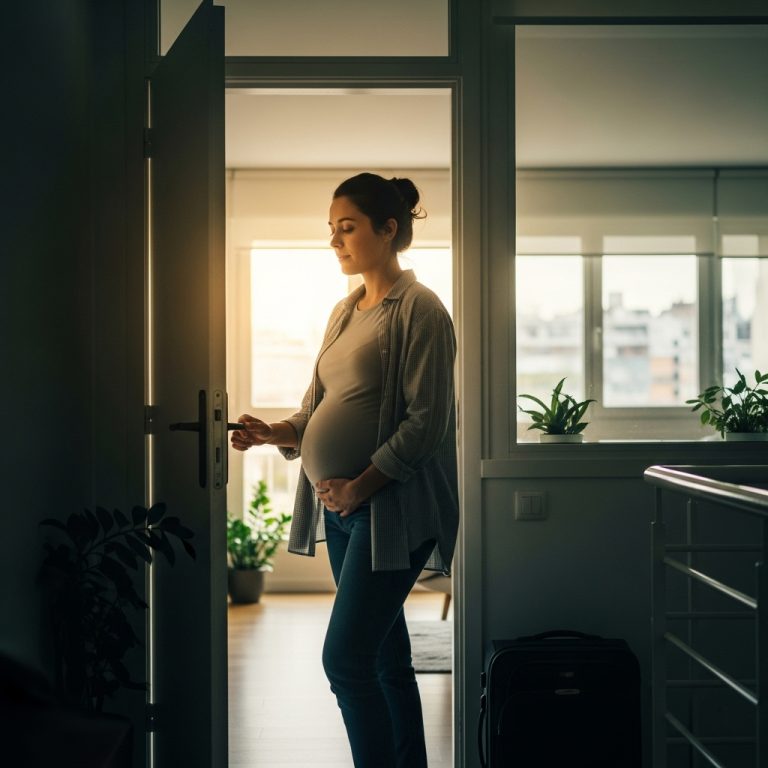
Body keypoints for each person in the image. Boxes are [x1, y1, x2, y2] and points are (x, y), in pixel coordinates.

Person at [231, 172, 459, 768]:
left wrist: (360, 486)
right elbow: (319, 407)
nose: (335, 240)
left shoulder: (421, 309)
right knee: (385, 659)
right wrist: (275, 433)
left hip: (390, 509)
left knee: (346, 660)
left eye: (348, 227)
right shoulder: (345, 310)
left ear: (389, 229)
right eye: (331, 229)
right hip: (344, 511)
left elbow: (427, 421)